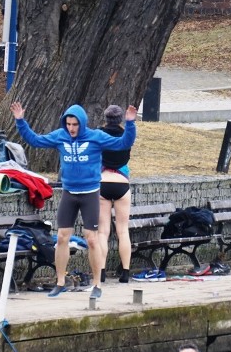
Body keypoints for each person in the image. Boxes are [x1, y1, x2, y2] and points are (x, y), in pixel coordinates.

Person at [10, 101, 137, 300]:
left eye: (75, 125)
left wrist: (130, 124)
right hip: (69, 193)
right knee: (61, 237)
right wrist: (20, 121)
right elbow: (35, 140)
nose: (71, 128)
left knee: (92, 238)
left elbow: (123, 143)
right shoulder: (61, 136)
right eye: (68, 124)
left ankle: (97, 284)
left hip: (91, 193)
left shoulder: (96, 137)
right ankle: (60, 281)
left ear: (82, 123)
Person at [97, 105, 133, 284]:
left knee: (103, 231)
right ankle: (125, 273)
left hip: (102, 182)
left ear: (105, 118)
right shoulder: (126, 135)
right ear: (120, 119)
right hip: (122, 184)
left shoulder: (99, 135)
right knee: (123, 231)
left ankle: (101, 272)